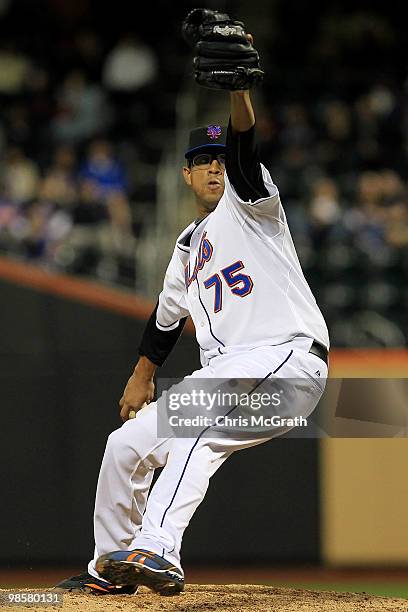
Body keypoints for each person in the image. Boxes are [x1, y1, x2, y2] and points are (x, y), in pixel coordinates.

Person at [55, 43, 329, 598]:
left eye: (220, 160)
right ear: (185, 174)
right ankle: (111, 566)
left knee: (192, 429)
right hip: (237, 379)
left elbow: (245, 146)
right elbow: (163, 319)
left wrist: (238, 93)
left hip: (287, 361)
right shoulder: (186, 246)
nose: (215, 167)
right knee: (125, 446)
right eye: (204, 161)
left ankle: (159, 550)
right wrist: (140, 374)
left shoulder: (252, 208)